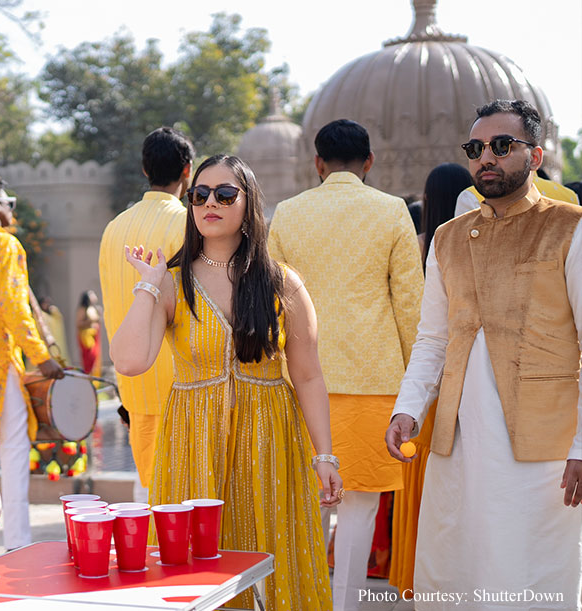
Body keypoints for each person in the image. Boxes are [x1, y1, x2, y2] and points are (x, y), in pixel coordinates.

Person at [111, 154, 341, 611]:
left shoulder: (282, 283)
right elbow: (131, 361)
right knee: (196, 565)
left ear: (248, 202)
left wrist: (325, 456)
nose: (208, 203)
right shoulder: (174, 283)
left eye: (224, 194)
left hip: (270, 442)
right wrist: (149, 286)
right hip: (191, 442)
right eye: (199, 195)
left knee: (274, 557)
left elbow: (309, 376)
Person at [386, 99, 582, 609]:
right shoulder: (447, 240)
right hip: (461, 439)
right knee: (455, 569)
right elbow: (433, 338)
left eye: (501, 146)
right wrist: (408, 408)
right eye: (476, 148)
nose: (485, 158)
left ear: (535, 156)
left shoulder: (569, 228)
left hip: (543, 446)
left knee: (530, 575)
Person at [267, 119, 423, 610]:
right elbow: (411, 309)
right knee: (360, 503)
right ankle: (348, 603)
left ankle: (305, 599)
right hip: (374, 381)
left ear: (318, 163)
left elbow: (267, 305)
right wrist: (417, 390)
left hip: (299, 382)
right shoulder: (391, 211)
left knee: (307, 503)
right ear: (368, 163)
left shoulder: (287, 215)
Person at [0, 174, 64, 564]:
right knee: (15, 450)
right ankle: (17, 541)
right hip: (1, 363)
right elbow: (14, 307)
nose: (12, 209)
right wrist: (41, 356)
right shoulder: (4, 244)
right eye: (9, 202)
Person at [387, 162, 471, 595]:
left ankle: (413, 576)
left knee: (423, 490)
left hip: (419, 385)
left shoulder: (422, 244)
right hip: (455, 382)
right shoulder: (455, 245)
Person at [98, 126, 194, 502]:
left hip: (135, 385)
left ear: (144, 170)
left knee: (152, 493)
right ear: (188, 170)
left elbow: (112, 308)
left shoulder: (113, 229)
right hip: (183, 386)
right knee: (185, 502)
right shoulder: (191, 225)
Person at [75, 290, 103, 376]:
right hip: (87, 337)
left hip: (95, 335)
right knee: (90, 357)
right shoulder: (82, 309)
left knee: (96, 358)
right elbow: (79, 324)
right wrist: (90, 322)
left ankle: (96, 378)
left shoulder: (94, 308)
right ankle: (89, 377)